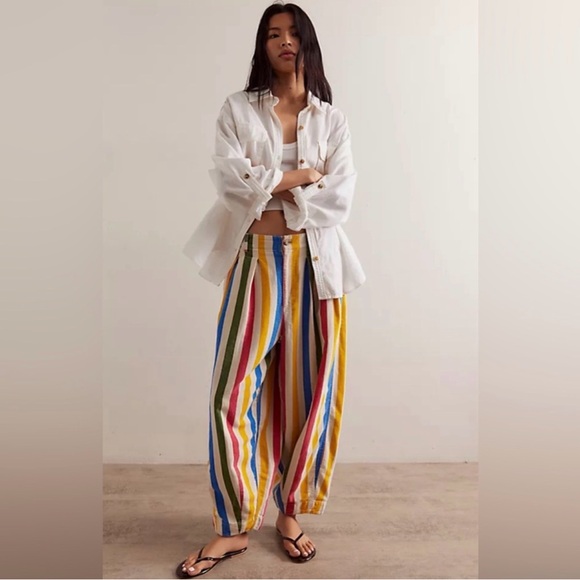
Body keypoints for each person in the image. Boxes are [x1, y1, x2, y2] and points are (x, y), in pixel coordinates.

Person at [176, 2, 365, 577]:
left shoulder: (331, 120)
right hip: (253, 262)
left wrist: (272, 186)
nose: (284, 41)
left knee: (308, 393)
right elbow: (231, 184)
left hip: (316, 266)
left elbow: (339, 200)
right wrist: (302, 176)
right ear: (262, 45)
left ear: (307, 42)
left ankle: (290, 514)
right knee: (230, 394)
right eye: (272, 33)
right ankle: (233, 526)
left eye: (292, 33)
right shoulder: (238, 109)